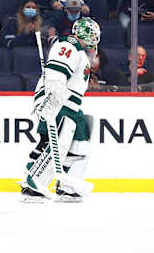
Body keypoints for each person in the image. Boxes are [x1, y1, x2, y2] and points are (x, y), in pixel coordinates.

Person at [20, 17, 100, 203]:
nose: (95, 39)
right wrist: (51, 101)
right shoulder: (70, 45)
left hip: (71, 106)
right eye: (93, 34)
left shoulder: (79, 52)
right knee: (55, 146)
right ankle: (34, 185)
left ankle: (68, 187)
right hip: (60, 104)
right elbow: (56, 74)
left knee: (80, 145)